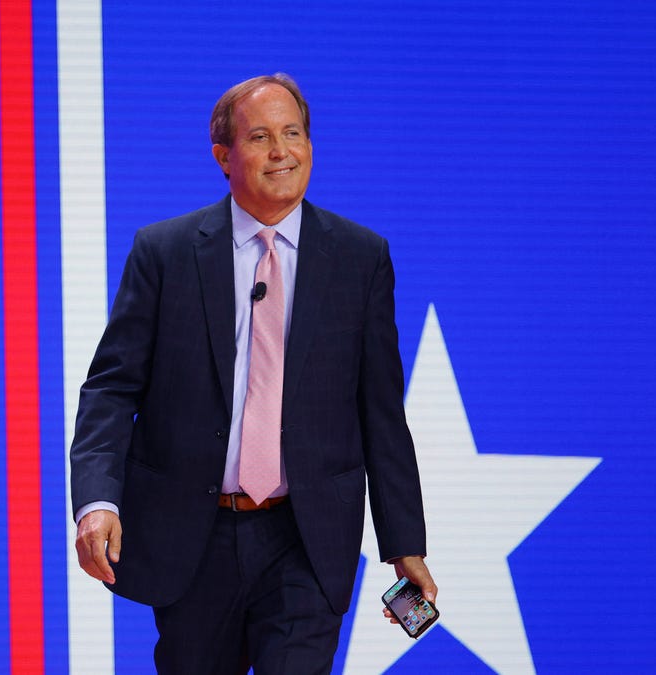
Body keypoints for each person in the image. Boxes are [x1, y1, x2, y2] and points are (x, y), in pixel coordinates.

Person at [69, 73, 437, 673]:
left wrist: (404, 544)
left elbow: (381, 414)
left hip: (306, 538)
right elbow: (111, 389)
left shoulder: (360, 257)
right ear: (223, 156)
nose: (281, 152)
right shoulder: (165, 252)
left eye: (293, 134)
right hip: (193, 537)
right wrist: (97, 502)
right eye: (260, 137)